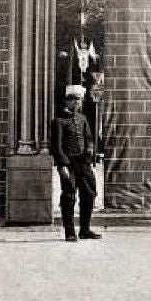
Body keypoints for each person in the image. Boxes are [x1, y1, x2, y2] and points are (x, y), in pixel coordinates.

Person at [50, 85, 101, 241]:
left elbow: (89, 138)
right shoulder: (59, 121)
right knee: (69, 196)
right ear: (68, 101)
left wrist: (90, 156)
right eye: (75, 101)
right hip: (68, 164)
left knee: (89, 194)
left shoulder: (82, 119)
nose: (78, 104)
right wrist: (62, 165)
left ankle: (85, 230)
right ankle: (70, 232)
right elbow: (57, 146)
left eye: (79, 100)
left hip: (83, 163)